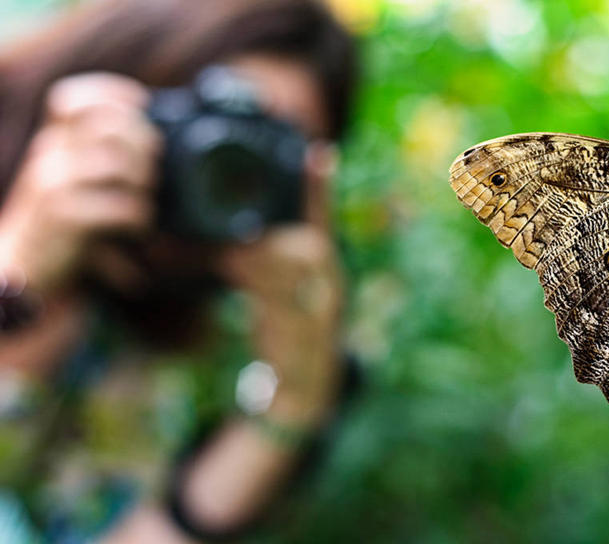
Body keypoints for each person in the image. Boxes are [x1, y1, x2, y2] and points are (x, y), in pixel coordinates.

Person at [0, 0, 358, 541]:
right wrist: (16, 272)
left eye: (267, 150)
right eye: (208, 120)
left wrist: (296, 396)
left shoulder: (141, 341)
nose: (226, 170)